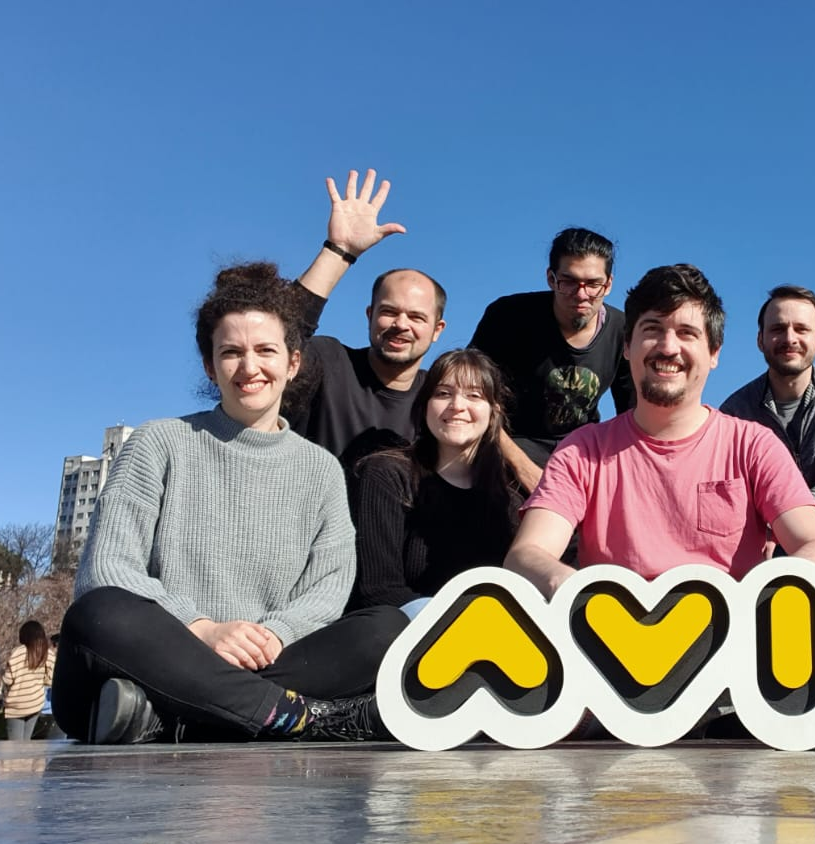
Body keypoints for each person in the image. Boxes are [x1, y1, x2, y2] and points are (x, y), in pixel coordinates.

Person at [54, 262, 408, 745]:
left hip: (268, 656)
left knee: (386, 627)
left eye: (266, 350)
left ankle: (173, 719)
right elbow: (110, 569)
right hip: (159, 652)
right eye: (231, 353)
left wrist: (273, 634)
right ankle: (306, 719)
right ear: (209, 365)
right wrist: (202, 630)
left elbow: (329, 586)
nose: (249, 368)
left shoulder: (322, 468)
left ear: (293, 362)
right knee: (98, 613)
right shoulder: (160, 441)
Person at [506, 264, 815, 598]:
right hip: (611, 638)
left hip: (731, 642)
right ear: (627, 347)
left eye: (687, 333)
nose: (668, 347)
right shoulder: (582, 450)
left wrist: (769, 595)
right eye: (652, 329)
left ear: (714, 353)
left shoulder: (753, 446)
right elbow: (526, 555)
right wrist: (567, 585)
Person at [282, 170, 448, 463]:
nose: (401, 325)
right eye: (389, 312)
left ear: (437, 329)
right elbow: (275, 335)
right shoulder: (328, 361)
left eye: (417, 317)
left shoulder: (439, 398)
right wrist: (339, 251)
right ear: (370, 315)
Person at [347, 349, 523, 618]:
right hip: (401, 638)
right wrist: (456, 627)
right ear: (425, 405)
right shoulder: (385, 475)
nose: (457, 405)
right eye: (443, 393)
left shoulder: (509, 504)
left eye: (474, 395)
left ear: (493, 413)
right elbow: (378, 591)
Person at [469, 227, 636, 491]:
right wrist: (522, 467)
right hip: (509, 443)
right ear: (550, 278)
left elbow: (633, 414)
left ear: (609, 284)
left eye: (593, 284)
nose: (581, 294)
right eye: (569, 281)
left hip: (583, 451)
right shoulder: (507, 317)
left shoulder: (624, 330)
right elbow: (470, 395)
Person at [720, 285, 815, 520]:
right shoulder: (735, 412)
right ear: (760, 340)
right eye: (778, 329)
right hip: (762, 538)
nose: (790, 338)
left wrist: (786, 522)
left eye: (801, 329)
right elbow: (734, 491)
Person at [0, 620, 55, 742]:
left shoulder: (18, 653)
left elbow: (8, 679)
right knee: (27, 743)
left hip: (16, 705)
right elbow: (50, 679)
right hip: (35, 702)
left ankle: (16, 762)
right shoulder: (47, 653)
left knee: (14, 745)